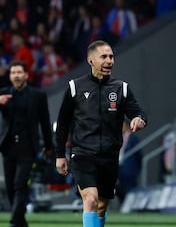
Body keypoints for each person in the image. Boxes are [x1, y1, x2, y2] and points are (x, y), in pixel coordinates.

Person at [54, 40, 147, 227]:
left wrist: (139, 119)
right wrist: (59, 156)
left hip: (109, 156)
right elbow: (63, 123)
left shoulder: (121, 88)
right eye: (103, 56)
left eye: (111, 56)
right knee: (91, 199)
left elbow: (138, 112)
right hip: (82, 154)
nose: (109, 60)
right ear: (91, 60)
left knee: (102, 206)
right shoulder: (75, 87)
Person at [0, 60, 54, 227]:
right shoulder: (3, 94)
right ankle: (20, 222)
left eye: (19, 72)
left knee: (20, 183)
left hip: (28, 146)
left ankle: (14, 221)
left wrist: (48, 145)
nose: (16, 75)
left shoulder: (38, 95)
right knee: (10, 187)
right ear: (9, 76)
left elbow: (45, 122)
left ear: (26, 75)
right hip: (8, 146)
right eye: (13, 73)